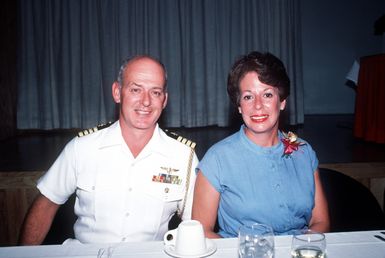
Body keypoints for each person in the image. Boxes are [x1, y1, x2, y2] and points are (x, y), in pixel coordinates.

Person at [19, 55, 198, 245]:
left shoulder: (183, 156)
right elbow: (46, 205)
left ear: (164, 100)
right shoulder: (83, 148)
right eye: (136, 90)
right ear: (117, 92)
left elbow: (195, 224)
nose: (146, 101)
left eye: (155, 92)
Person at [192, 51, 329, 238]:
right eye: (248, 96)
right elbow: (201, 232)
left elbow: (321, 221)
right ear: (239, 105)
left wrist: (297, 248)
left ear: (281, 102)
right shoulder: (217, 159)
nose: (258, 105)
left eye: (267, 95)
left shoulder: (303, 151)